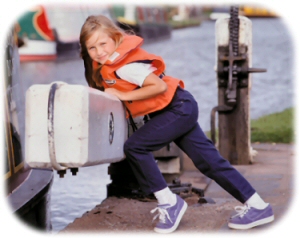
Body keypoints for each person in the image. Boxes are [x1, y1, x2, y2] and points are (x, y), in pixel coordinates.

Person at [79, 15, 274, 233]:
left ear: (115, 38)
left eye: (103, 44)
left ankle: (169, 203)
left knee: (136, 146)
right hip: (181, 105)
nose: (99, 51)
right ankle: (258, 206)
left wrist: (121, 97)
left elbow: (159, 87)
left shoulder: (125, 67)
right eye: (92, 48)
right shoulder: (110, 64)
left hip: (176, 108)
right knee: (209, 162)